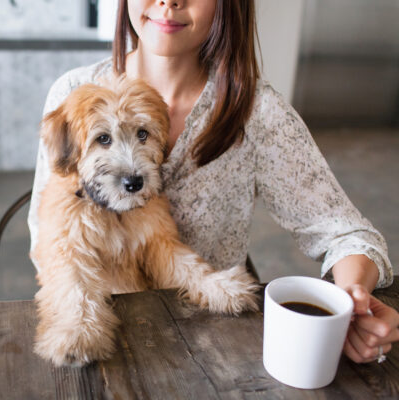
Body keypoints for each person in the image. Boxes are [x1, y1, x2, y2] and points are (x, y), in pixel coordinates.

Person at [28, 0, 398, 364]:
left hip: (215, 345)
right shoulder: (72, 92)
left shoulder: (256, 114)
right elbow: (48, 240)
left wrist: (354, 298)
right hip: (102, 345)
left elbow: (345, 234)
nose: (169, 1)